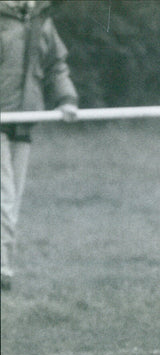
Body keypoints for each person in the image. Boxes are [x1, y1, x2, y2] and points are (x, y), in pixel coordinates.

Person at [0, 0, 78, 290]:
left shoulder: (42, 23)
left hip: (24, 120)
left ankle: (4, 268)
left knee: (12, 201)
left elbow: (56, 65)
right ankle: (3, 270)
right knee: (4, 199)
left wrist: (66, 99)